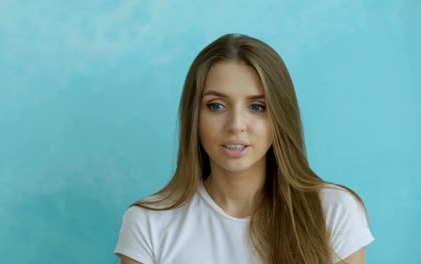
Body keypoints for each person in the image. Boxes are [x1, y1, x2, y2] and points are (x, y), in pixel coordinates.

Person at [113, 33, 375, 264]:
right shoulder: (148, 222)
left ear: (280, 117)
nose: (236, 125)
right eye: (216, 105)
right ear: (194, 116)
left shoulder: (334, 211)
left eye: (257, 107)